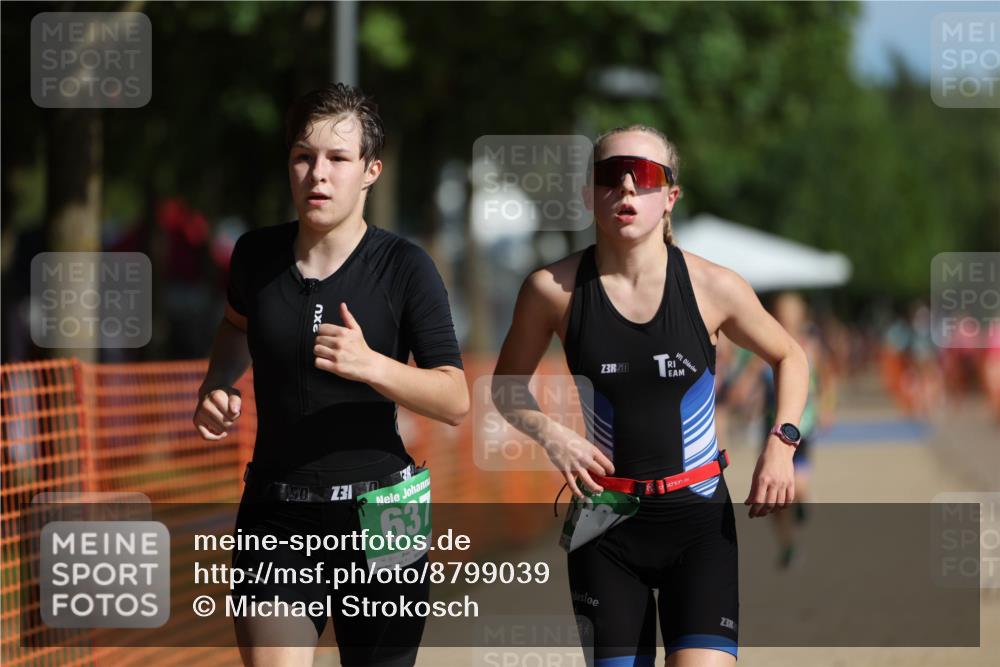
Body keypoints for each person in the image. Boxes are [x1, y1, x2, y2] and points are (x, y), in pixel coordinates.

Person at [491, 125, 809, 666]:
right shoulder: (552, 290)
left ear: (670, 196)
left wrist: (782, 442)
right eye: (611, 177)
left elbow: (791, 357)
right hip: (606, 528)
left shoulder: (714, 287)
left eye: (645, 176)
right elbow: (504, 387)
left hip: (699, 523)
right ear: (589, 194)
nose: (628, 190)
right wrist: (553, 435)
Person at [192, 83, 468, 667]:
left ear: (370, 171)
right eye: (303, 156)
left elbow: (454, 398)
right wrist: (218, 384)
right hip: (276, 512)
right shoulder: (255, 257)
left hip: (387, 513)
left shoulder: (405, 267)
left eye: (338, 159)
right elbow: (235, 327)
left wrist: (372, 366)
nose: (318, 173)